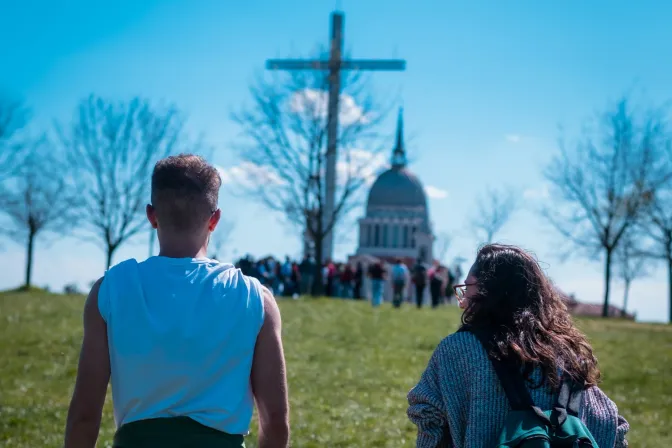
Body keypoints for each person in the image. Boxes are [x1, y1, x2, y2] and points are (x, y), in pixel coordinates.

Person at [64, 155, 290, 448]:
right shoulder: (254, 298)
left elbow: (84, 415)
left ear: (151, 215)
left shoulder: (111, 290)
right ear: (214, 220)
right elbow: (275, 422)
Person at [407, 244, 628, 447]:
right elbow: (610, 423)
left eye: (467, 287)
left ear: (489, 291)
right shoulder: (570, 355)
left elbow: (428, 414)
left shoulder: (457, 349)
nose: (462, 301)